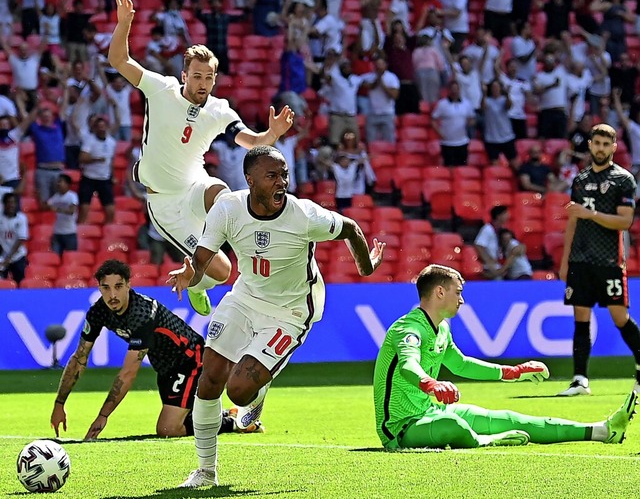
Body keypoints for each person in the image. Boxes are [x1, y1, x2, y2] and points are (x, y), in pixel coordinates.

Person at [169, 145, 385, 487]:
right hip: (245, 297)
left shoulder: (304, 215)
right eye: (272, 176)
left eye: (284, 174)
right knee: (209, 379)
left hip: (291, 311)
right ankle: (206, 472)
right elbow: (201, 260)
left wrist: (367, 265)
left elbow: (351, 229)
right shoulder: (227, 208)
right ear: (250, 180)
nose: (282, 182)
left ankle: (258, 389)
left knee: (238, 392)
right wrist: (188, 276)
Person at [108, 0, 295, 317]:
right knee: (221, 272)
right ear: (184, 76)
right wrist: (124, 24)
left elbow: (250, 140)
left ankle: (253, 250)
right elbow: (119, 61)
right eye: (197, 76)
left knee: (221, 191)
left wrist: (272, 135)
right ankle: (197, 284)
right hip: (167, 205)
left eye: (209, 77)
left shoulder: (219, 110)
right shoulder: (161, 89)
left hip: (196, 187)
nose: (203, 83)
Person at [373, 263, 638, 450]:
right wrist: (431, 384)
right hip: (400, 428)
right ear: (440, 292)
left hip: (431, 411)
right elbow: (409, 365)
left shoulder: (441, 327)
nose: (462, 300)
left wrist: (512, 372)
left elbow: (460, 364)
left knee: (512, 418)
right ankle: (487, 440)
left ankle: (602, 431)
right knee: (453, 424)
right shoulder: (408, 328)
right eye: (458, 292)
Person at [49, 259, 265, 441]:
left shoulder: (142, 314)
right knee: (178, 423)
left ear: (128, 286)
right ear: (99, 288)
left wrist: (103, 416)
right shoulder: (98, 313)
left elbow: (128, 373)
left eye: (118, 286)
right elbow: (80, 358)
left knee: (168, 429)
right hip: (165, 368)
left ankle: (232, 422)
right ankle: (227, 415)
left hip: (191, 359)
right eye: (106, 288)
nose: (112, 294)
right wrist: (60, 403)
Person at [558, 123, 640, 396]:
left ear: (615, 147)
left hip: (609, 261)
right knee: (580, 317)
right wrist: (565, 260)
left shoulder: (623, 180)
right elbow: (573, 220)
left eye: (607, 144)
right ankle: (579, 379)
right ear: (590, 145)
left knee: (619, 317)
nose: (601, 148)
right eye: (597, 143)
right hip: (580, 260)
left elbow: (625, 221)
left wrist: (590, 214)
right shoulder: (580, 180)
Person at [46, 174, 79, 257]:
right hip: (57, 232)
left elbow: (72, 211)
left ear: (67, 184)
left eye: (60, 181)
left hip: (70, 232)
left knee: (71, 258)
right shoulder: (55, 197)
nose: (58, 184)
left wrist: (58, 209)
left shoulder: (72, 196)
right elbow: (47, 205)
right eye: (58, 182)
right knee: (55, 257)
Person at [0, 192, 28, 285]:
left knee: (20, 283)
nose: (11, 205)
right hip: (3, 257)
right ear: (4, 204)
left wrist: (9, 258)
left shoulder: (21, 218)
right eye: (9, 202)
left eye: (13, 202)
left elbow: (21, 239)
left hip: (18, 256)